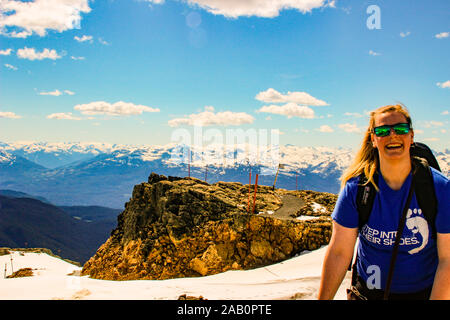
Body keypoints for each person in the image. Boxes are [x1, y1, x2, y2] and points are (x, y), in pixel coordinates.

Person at [318, 104, 450, 300]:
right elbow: (339, 252)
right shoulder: (357, 189)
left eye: (401, 129)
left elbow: (447, 260)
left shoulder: (439, 188)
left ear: (411, 136)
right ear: (373, 139)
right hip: (369, 292)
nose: (393, 135)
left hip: (422, 293)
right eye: (382, 131)